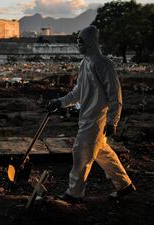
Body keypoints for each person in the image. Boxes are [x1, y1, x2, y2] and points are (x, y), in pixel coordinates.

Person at [47, 25, 135, 203]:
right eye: (78, 41)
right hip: (87, 117)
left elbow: (115, 95)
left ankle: (74, 194)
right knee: (103, 153)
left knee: (81, 154)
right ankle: (124, 185)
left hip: (97, 120)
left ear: (91, 42)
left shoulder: (103, 64)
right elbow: (78, 92)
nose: (78, 44)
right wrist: (60, 102)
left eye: (81, 41)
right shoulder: (85, 63)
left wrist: (113, 121)